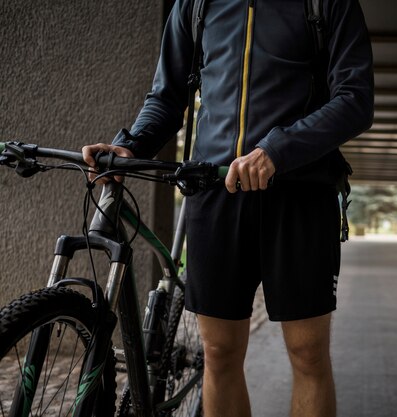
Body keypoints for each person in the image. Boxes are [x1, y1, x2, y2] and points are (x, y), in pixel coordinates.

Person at [83, 0, 373, 415]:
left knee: (308, 353)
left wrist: (277, 149)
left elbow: (356, 98)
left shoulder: (326, 3)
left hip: (301, 194)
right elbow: (167, 97)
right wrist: (131, 145)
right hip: (215, 191)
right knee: (218, 351)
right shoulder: (196, 5)